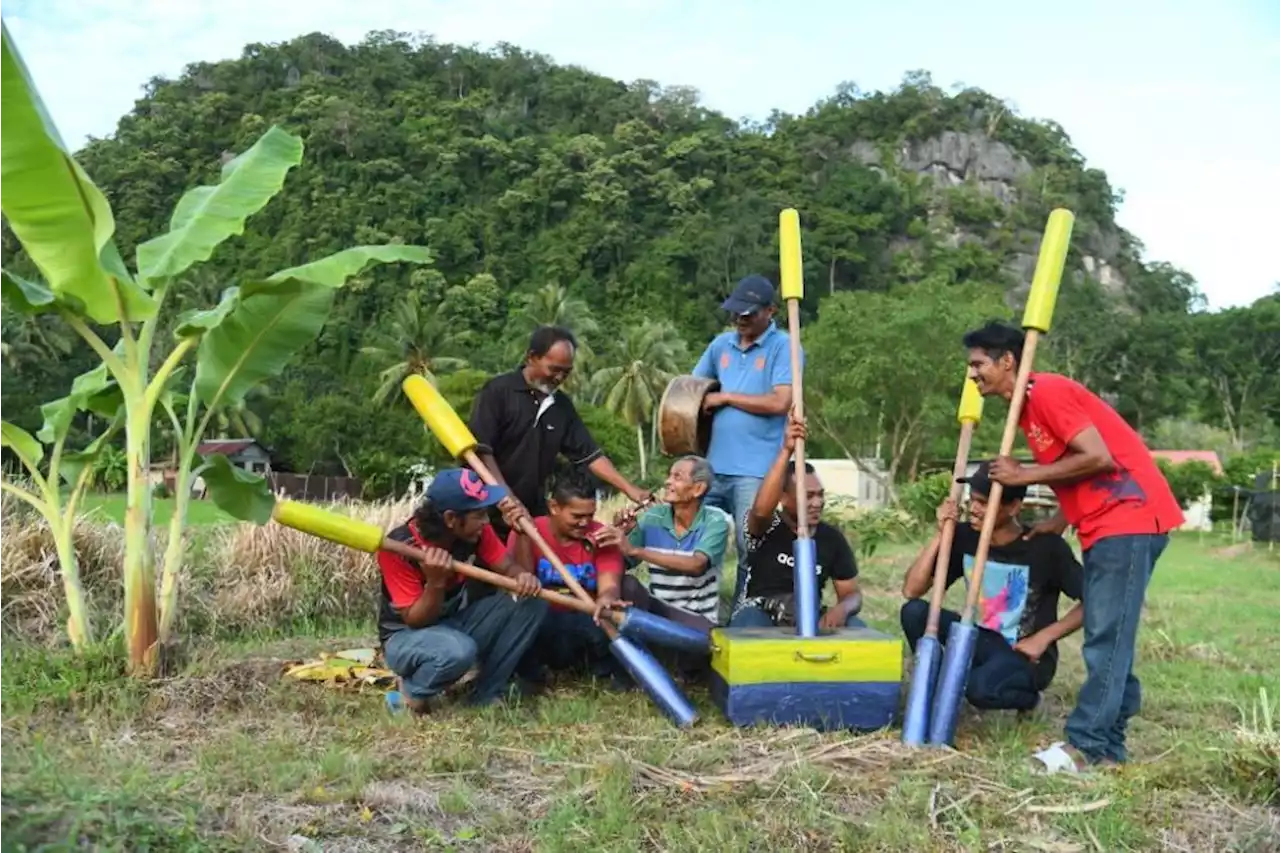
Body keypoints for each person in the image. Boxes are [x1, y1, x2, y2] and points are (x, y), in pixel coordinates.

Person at [962, 320, 1185, 774]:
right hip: (1105, 522)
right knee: (1111, 635)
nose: (972, 374)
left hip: (1130, 520)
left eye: (978, 364)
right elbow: (1076, 467)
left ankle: (1085, 745)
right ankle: (1110, 745)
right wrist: (1062, 517)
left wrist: (1023, 476)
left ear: (1007, 361)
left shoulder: (1046, 391)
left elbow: (1098, 456)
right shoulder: (1024, 410)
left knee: (1106, 638)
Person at [899, 461, 1084, 712]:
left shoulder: (1045, 547)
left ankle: (1030, 701)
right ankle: (940, 686)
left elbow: (1096, 602)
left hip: (1025, 655)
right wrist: (941, 534)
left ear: (1013, 507)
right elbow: (912, 590)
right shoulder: (964, 536)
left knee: (980, 690)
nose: (973, 509)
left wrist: (1043, 638)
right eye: (972, 500)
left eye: (983, 503)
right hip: (980, 641)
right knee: (914, 612)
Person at [377, 468, 547, 714]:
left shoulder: (475, 532)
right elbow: (416, 620)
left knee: (532, 603)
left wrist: (521, 570)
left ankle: (485, 693)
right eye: (479, 514)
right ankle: (411, 691)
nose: (487, 521)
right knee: (458, 651)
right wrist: (435, 582)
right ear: (450, 519)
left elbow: (507, 567)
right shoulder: (400, 548)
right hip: (405, 637)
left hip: (454, 624)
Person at [469, 325, 650, 539]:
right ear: (531, 357)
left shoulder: (561, 406)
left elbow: (590, 455)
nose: (559, 377)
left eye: (566, 372)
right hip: (482, 509)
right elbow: (482, 451)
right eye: (554, 369)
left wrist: (631, 490)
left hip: (529, 513)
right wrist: (505, 498)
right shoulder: (498, 392)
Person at [730, 411, 865, 630]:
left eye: (820, 494)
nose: (817, 502)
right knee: (746, 633)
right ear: (783, 498)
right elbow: (761, 512)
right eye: (808, 496)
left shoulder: (831, 538)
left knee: (859, 630)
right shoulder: (766, 527)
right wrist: (786, 449)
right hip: (762, 611)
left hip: (811, 614)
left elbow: (851, 594)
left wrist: (842, 609)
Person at [508, 469, 628, 686]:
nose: (585, 523)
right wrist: (523, 539)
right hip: (542, 625)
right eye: (577, 516)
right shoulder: (527, 530)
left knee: (625, 596)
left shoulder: (602, 535)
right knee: (526, 615)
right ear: (554, 507)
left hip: (587, 622)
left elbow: (610, 584)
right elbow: (523, 584)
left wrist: (608, 598)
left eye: (589, 515)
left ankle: (604, 673)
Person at [600, 455, 730, 632]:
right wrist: (624, 534)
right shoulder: (653, 517)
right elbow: (622, 563)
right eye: (669, 475)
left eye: (677, 477)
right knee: (627, 584)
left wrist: (636, 550)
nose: (667, 482)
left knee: (695, 639)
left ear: (698, 489)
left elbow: (696, 564)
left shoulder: (715, 521)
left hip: (697, 617)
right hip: (659, 609)